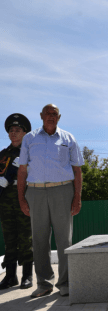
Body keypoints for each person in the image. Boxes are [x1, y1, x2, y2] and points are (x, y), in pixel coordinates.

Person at [18, 104, 84, 298]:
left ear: (59, 117)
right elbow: (22, 171)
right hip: (36, 193)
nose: (50, 116)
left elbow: (77, 171)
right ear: (41, 116)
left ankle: (65, 283)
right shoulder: (29, 139)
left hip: (63, 191)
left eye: (54, 114)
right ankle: (44, 283)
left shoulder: (68, 138)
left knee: (65, 239)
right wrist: (21, 199)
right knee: (39, 240)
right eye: (47, 113)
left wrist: (77, 198)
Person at [0, 113, 33, 290]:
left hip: (24, 196)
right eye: (11, 130)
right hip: (5, 199)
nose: (14, 133)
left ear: (25, 133)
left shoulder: (31, 152)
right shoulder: (3, 155)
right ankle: (10, 276)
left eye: (17, 130)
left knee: (26, 236)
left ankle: (27, 275)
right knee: (9, 237)